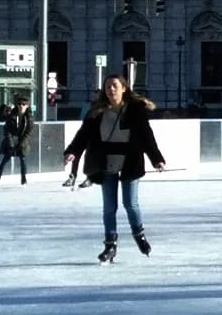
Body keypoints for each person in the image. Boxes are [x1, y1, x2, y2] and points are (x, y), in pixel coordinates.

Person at [63, 74, 166, 262]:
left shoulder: (135, 110)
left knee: (130, 204)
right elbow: (83, 134)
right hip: (105, 162)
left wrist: (156, 158)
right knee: (109, 207)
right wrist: (72, 151)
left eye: (115, 86)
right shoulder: (97, 111)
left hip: (130, 161)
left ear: (124, 89)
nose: (111, 89)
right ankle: (110, 245)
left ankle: (139, 236)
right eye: (108, 86)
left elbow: (146, 136)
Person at [0, 95, 33, 185]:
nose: (21, 106)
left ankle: (23, 179)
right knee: (5, 160)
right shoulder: (12, 116)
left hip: (21, 142)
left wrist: (21, 143)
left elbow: (28, 133)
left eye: (23, 104)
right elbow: (7, 130)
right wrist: (11, 143)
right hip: (11, 141)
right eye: (19, 104)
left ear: (27, 106)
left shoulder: (29, 118)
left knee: (22, 159)